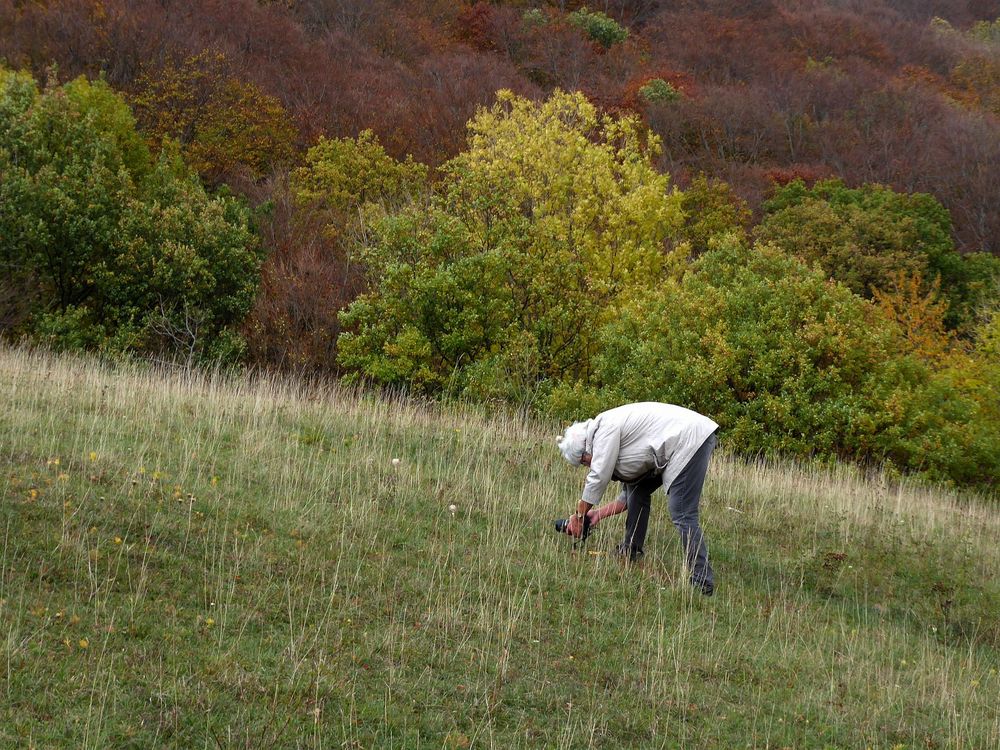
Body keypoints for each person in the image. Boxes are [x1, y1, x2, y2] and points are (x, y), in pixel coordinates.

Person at [558, 402, 720, 595]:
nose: (587, 465)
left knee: (682, 512)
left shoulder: (604, 431)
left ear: (585, 451)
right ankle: (630, 550)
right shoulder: (604, 431)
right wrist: (598, 514)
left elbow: (598, 476)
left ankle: (702, 581)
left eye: (583, 461)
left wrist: (579, 516)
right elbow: (628, 495)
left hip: (690, 440)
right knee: (637, 491)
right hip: (682, 441)